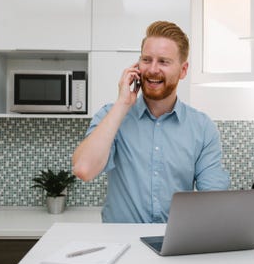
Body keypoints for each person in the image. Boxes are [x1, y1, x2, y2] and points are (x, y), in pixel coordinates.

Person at [72, 21, 229, 223]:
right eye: (147, 60)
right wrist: (122, 103)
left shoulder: (202, 128)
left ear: (183, 70)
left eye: (163, 62)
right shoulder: (110, 116)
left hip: (175, 245)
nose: (152, 69)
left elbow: (213, 201)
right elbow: (84, 169)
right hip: (121, 245)